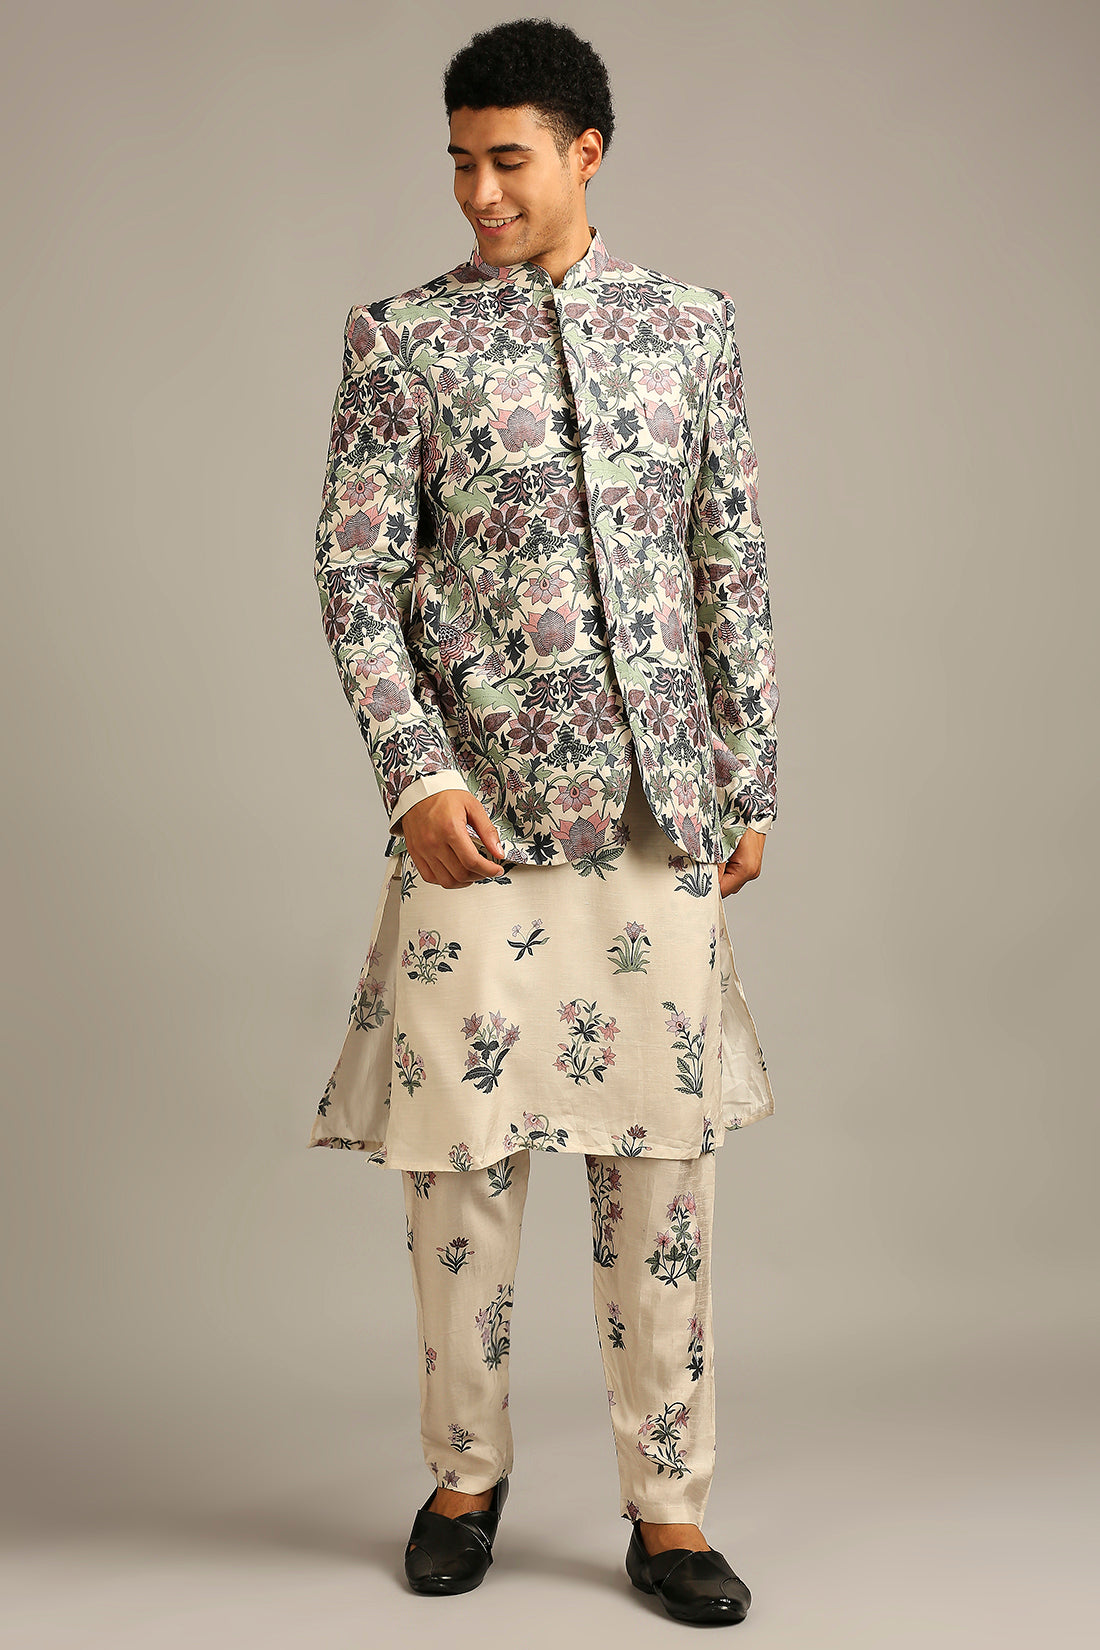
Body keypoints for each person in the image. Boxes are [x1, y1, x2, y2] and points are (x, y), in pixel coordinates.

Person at [308, 18, 779, 1625]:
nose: (478, 192)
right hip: (479, 822)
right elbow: (354, 572)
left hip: (655, 813)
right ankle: (465, 1475)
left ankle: (670, 1509)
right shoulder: (403, 341)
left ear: (587, 151)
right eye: (459, 161)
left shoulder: (692, 328)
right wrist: (417, 774)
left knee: (665, 1176)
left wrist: (749, 771)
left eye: (507, 160)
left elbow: (727, 557)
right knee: (460, 1169)